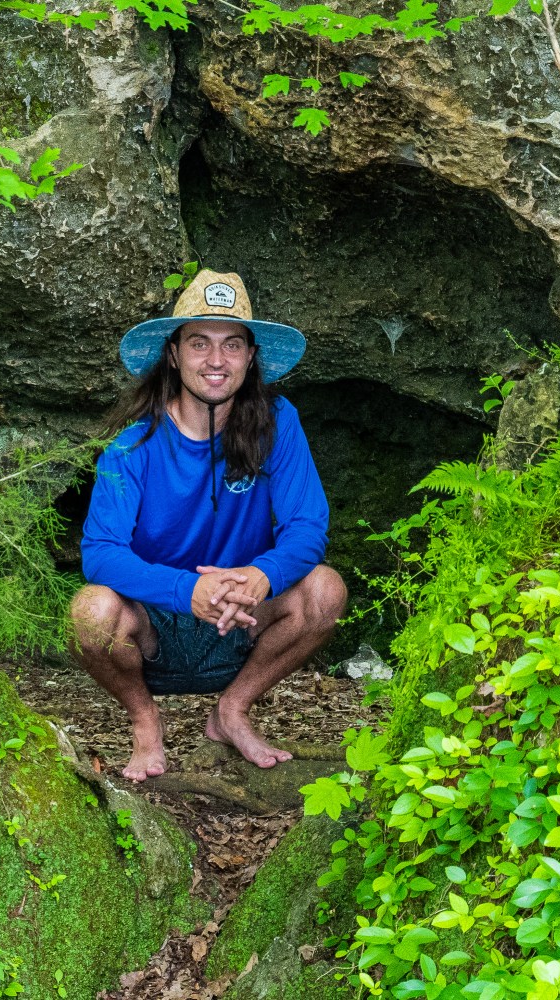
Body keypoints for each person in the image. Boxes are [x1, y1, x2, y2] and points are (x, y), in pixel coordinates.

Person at [70, 269, 347, 782]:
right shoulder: (131, 444)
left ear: (249, 356)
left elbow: (307, 524)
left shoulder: (277, 421)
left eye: (232, 345)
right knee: (90, 612)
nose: (216, 361)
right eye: (199, 343)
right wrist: (187, 588)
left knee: (325, 591)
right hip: (156, 620)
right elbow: (101, 552)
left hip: (244, 612)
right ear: (173, 354)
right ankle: (145, 723)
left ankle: (231, 711)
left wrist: (261, 574)